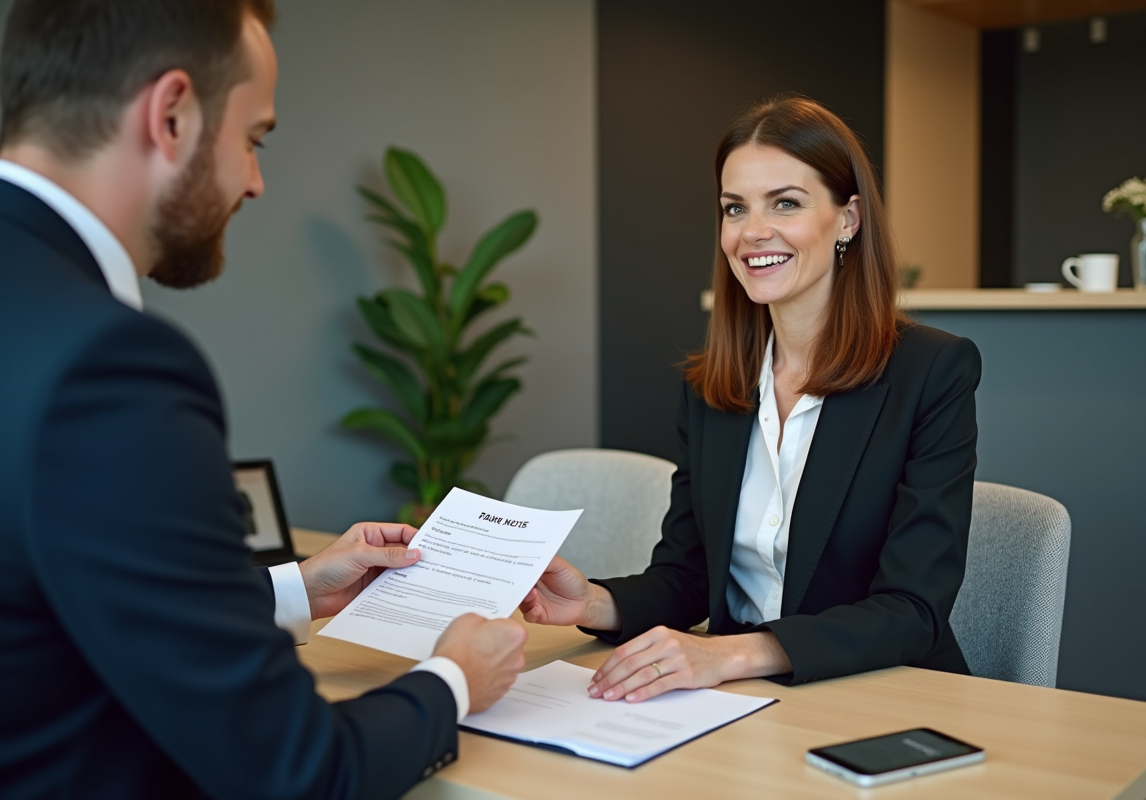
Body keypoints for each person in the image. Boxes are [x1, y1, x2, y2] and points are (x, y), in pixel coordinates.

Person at [0, 2, 527, 798]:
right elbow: (298, 774)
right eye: (253, 138)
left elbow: (49, 602)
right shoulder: (108, 366)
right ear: (171, 113)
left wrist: (296, 587)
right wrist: (453, 679)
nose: (255, 181)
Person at [521, 96, 981, 704]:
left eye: (785, 203)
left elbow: (912, 608)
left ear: (848, 219)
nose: (752, 232)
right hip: (739, 700)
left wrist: (728, 652)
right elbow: (690, 577)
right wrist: (595, 602)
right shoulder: (712, 384)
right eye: (735, 208)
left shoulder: (932, 371)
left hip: (880, 694)